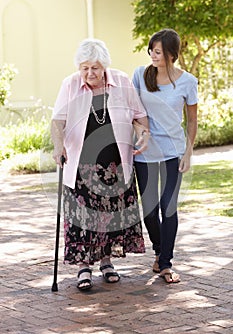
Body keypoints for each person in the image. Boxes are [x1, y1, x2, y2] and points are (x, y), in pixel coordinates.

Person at [51, 38, 149, 291]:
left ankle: (106, 263)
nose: (89, 73)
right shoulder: (70, 85)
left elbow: (139, 116)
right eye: (84, 67)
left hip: (115, 165)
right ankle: (84, 267)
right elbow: (57, 122)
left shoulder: (122, 82)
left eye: (94, 67)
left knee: (109, 217)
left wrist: (144, 134)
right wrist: (58, 146)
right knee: (83, 219)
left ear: (104, 66)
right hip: (82, 166)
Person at [132, 28, 198, 283]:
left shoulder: (187, 82)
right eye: (151, 50)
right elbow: (133, 111)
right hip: (145, 152)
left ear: (172, 55)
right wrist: (142, 131)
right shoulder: (140, 75)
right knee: (150, 210)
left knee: (168, 206)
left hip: (173, 152)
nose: (152, 54)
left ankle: (167, 264)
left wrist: (188, 152)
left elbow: (192, 119)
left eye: (157, 51)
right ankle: (159, 251)